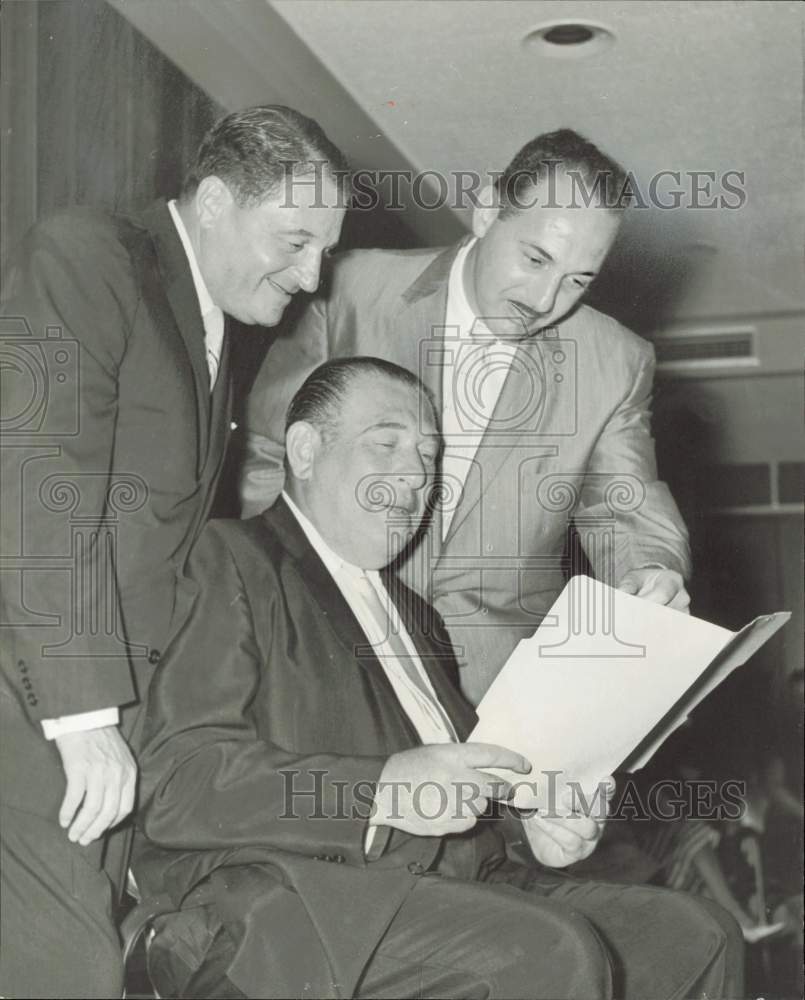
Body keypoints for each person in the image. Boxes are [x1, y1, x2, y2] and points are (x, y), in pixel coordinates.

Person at [133, 357, 742, 999]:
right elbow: (180, 781)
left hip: (463, 887)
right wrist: (383, 788)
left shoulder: (417, 618)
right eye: (387, 443)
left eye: (428, 456)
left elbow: (463, 791)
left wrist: (535, 825)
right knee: (543, 950)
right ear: (306, 449)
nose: (415, 475)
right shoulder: (229, 559)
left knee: (695, 935)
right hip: (313, 901)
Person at [0, 105, 347, 998]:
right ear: (218, 200)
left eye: (325, 249)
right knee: (70, 975)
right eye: (296, 239)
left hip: (112, 724)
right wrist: (81, 719)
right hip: (34, 700)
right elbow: (38, 482)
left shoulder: (219, 324)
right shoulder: (89, 256)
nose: (312, 276)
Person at [241, 129, 691, 705]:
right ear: (485, 211)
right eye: (535, 258)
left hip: (499, 697)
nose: (546, 298)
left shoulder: (616, 362)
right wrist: (274, 596)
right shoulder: (348, 289)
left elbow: (624, 504)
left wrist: (651, 573)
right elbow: (266, 454)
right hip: (328, 651)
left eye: (579, 280)